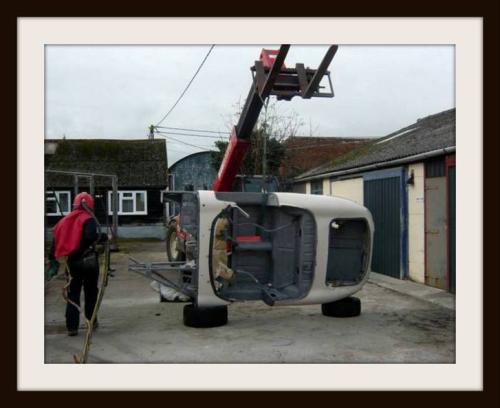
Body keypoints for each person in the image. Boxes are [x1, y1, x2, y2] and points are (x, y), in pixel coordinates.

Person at [49, 192, 107, 336]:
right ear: (90, 205)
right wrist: (103, 237)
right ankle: (91, 322)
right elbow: (90, 236)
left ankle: (72, 327)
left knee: (73, 294)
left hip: (72, 263)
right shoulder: (89, 219)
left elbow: (55, 241)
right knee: (91, 292)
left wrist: (53, 259)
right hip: (89, 262)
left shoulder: (64, 221)